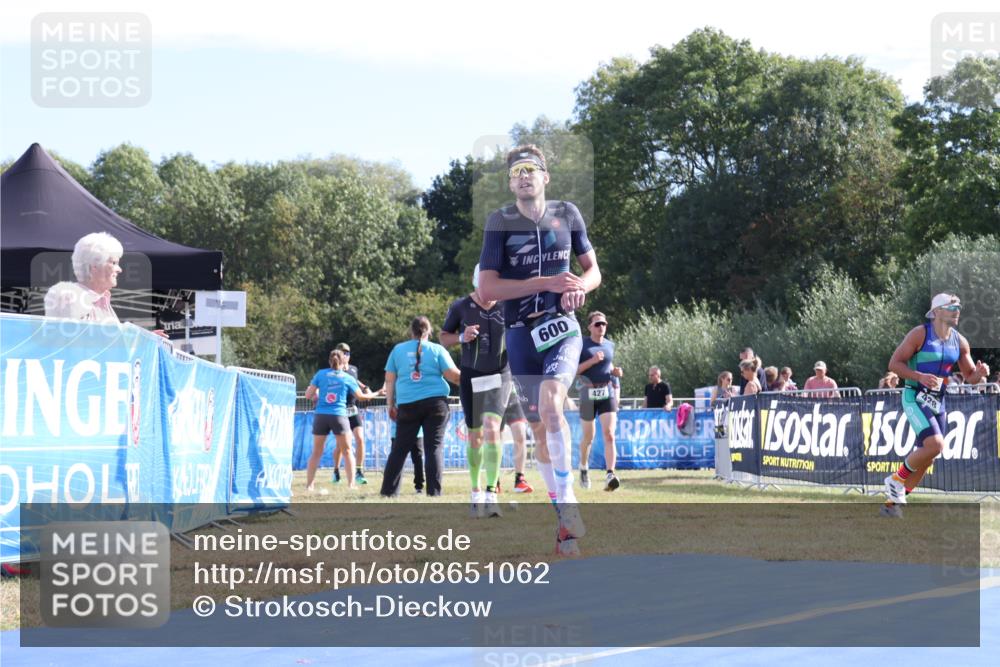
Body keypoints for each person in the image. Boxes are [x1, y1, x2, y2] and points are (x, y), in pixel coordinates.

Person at [478, 144, 600, 556]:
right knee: (539, 432)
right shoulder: (499, 222)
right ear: (510, 183)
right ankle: (564, 525)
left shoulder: (568, 213)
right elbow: (488, 289)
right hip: (519, 334)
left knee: (552, 406)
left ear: (545, 177)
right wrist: (547, 282)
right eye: (517, 172)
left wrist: (580, 287)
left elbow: (592, 269)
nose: (524, 176)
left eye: (531, 169)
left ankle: (568, 503)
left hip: (562, 327)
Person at [881, 293, 990, 517]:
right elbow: (894, 363)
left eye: (958, 308)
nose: (957, 312)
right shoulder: (920, 334)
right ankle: (896, 479)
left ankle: (892, 505)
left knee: (929, 457)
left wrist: (980, 374)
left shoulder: (960, 341)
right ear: (937, 311)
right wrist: (919, 376)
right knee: (936, 445)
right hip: (914, 396)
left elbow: (970, 377)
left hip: (937, 401)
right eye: (952, 308)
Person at [439, 265, 533, 519]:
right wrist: (462, 337)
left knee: (492, 429)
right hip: (471, 374)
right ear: (476, 283)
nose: (490, 293)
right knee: (475, 436)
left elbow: (525, 330)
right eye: (485, 287)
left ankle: (492, 495)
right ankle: (476, 492)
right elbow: (443, 337)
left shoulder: (507, 305)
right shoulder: (460, 306)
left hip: (500, 374)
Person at [381, 316, 460, 497]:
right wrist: (473, 379)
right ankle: (434, 492)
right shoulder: (437, 349)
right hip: (436, 404)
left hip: (407, 404)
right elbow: (454, 376)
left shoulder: (398, 350)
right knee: (434, 449)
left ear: (411, 331)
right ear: (429, 331)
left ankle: (388, 492)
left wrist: (390, 404)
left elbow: (389, 380)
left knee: (399, 449)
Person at [304, 349, 379, 494]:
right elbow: (361, 397)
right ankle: (351, 484)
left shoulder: (320, 374)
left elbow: (308, 395)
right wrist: (376, 393)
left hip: (321, 416)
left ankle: (309, 486)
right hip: (339, 416)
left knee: (316, 452)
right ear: (343, 361)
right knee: (347, 451)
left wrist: (317, 394)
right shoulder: (347, 377)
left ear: (329, 361)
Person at [576, 311, 623, 492]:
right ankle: (583, 467)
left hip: (606, 392)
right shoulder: (581, 345)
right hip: (587, 394)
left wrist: (616, 372)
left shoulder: (610, 345)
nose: (601, 327)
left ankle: (610, 474)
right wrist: (592, 361)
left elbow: (608, 366)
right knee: (589, 437)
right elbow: (574, 370)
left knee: (609, 434)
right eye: (597, 324)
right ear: (589, 327)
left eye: (603, 324)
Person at [330, 342, 378, 486]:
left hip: (352, 408)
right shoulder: (334, 370)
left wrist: (365, 387)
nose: (346, 355)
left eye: (348, 353)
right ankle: (336, 471)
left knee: (360, 439)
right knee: (341, 445)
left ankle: (359, 471)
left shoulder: (353, 369)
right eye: (343, 353)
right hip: (340, 410)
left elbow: (355, 380)